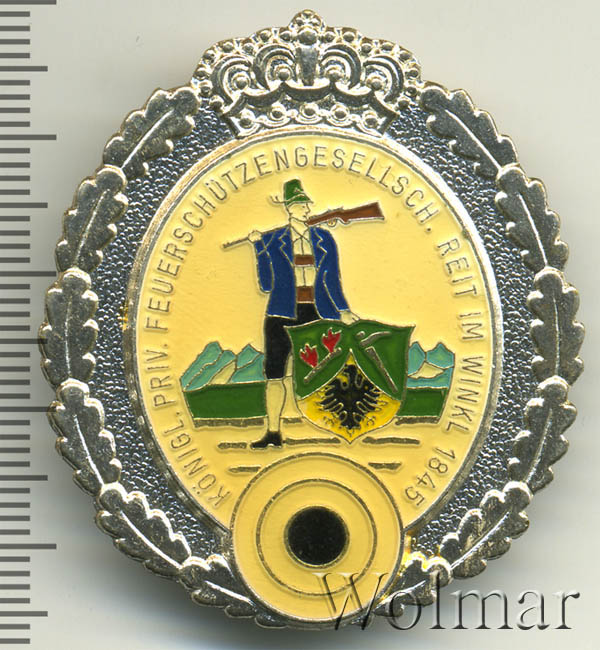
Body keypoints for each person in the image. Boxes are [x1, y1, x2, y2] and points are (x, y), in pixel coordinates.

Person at [248, 179, 358, 448]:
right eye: (299, 204)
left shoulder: (324, 239)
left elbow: (332, 280)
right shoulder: (272, 241)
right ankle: (273, 432)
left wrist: (343, 310)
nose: (306, 209)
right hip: (281, 313)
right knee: (274, 372)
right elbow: (266, 285)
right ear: (289, 208)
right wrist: (259, 248)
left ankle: (338, 427)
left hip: (317, 312)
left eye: (306, 204)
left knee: (329, 369)